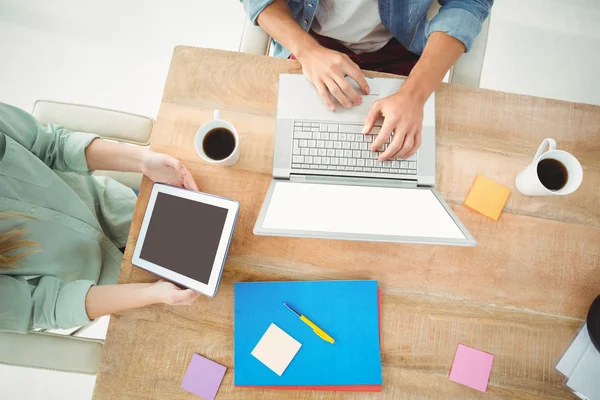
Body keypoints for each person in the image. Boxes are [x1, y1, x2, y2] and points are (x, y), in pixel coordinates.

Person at [0, 102, 202, 333]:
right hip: (110, 288)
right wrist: (151, 294)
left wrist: (143, 161)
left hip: (121, 209)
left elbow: (52, 145)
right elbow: (45, 307)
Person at [242, 0, 493, 160]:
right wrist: (307, 51)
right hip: (310, 40)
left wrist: (414, 96)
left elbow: (468, 4)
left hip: (399, 47)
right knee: (279, 152)